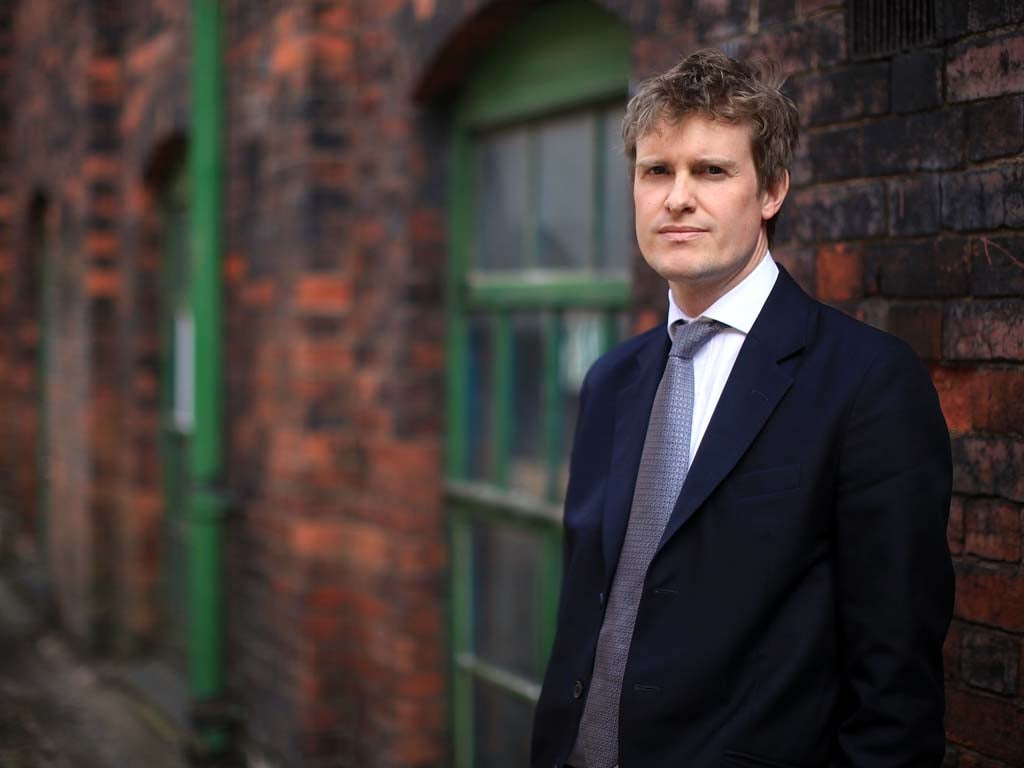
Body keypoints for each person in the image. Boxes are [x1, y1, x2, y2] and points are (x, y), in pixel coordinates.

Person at [530, 49, 954, 768]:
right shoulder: (611, 380)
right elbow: (588, 615)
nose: (677, 197)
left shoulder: (867, 384)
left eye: (712, 171)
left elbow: (895, 682)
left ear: (771, 191)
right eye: (656, 171)